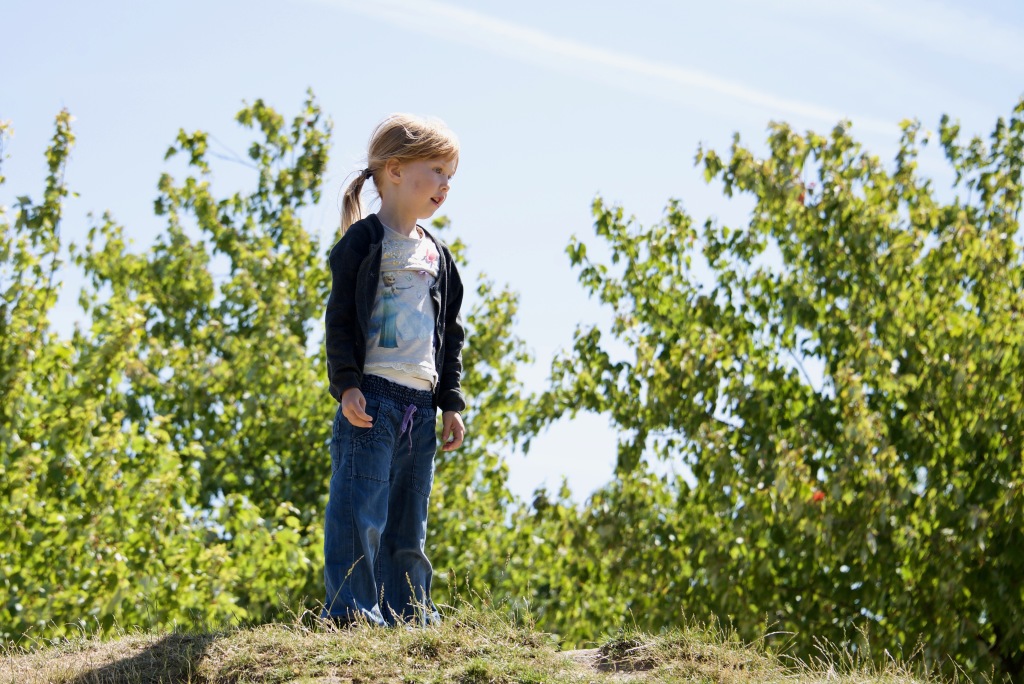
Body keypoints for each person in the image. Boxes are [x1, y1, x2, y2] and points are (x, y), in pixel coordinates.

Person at [322, 113, 466, 628]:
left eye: (451, 175)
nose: (446, 184)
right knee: (359, 509)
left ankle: (409, 612)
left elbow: (450, 334)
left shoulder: (439, 255)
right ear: (396, 170)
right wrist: (347, 385)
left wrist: (450, 403)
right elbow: (340, 319)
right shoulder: (363, 242)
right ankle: (353, 612)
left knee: (410, 517)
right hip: (372, 398)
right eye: (437, 170)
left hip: (420, 405)